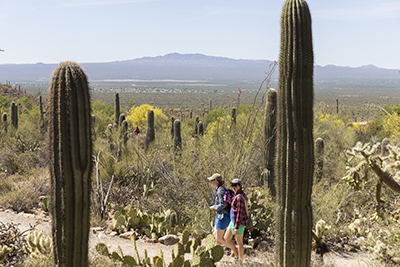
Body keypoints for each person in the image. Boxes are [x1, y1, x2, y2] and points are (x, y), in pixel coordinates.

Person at [224, 178, 248, 263]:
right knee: (226, 238)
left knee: (239, 243)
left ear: (240, 186)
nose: (233, 187)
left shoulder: (239, 197)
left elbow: (239, 214)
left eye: (235, 185)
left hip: (239, 223)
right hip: (233, 221)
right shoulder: (237, 195)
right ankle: (236, 255)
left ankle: (240, 261)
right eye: (232, 185)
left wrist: (236, 227)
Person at [208, 173, 230, 245]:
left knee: (218, 238)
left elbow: (223, 204)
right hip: (221, 216)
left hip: (222, 217)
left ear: (216, 180)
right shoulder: (220, 190)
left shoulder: (220, 191)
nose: (211, 182)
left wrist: (214, 207)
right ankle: (214, 255)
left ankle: (233, 249)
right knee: (215, 236)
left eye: (212, 180)